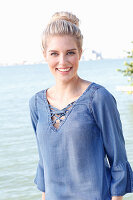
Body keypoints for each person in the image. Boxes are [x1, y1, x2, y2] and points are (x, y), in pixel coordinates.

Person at [29, 11, 133, 200]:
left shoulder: (99, 98)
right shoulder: (37, 104)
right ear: (45, 55)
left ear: (80, 54)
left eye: (70, 53)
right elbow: (45, 163)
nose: (63, 61)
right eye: (54, 53)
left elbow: (118, 161)